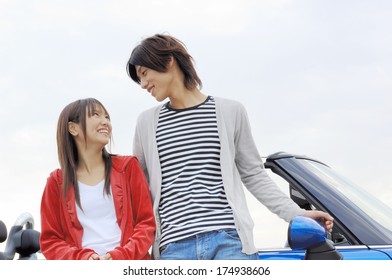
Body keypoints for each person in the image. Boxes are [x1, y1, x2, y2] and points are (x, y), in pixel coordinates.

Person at [126, 34, 334, 260]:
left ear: (168, 61)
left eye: (144, 73)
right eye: (139, 79)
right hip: (174, 248)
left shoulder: (229, 111)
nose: (143, 84)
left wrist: (298, 214)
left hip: (229, 242)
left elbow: (254, 174)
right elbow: (138, 190)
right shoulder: (146, 123)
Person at [40, 98, 155, 260]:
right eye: (96, 115)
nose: (105, 122)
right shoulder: (56, 182)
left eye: (107, 117)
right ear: (73, 128)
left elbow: (146, 224)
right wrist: (83, 259)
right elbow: (50, 241)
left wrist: (120, 256)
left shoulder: (128, 167)